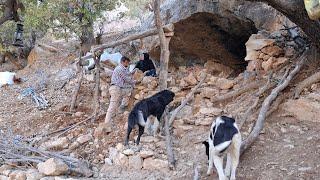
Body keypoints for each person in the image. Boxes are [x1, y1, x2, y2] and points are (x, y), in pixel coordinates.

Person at [104, 56, 136, 126]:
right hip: (115, 88)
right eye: (127, 62)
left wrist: (133, 72)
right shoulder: (119, 68)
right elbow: (126, 78)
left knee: (129, 90)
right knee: (112, 105)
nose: (128, 64)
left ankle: (123, 106)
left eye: (128, 62)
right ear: (122, 62)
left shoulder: (123, 69)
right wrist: (135, 81)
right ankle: (106, 123)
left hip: (120, 88)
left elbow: (127, 74)